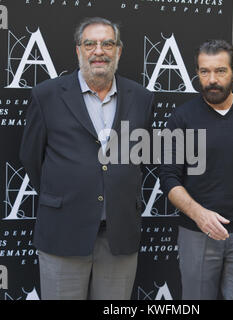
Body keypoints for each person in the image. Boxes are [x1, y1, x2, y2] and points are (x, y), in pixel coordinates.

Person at [19, 17, 154, 300]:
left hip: (119, 236)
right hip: (63, 233)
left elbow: (140, 158)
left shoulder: (141, 98)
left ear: (119, 51)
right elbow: (32, 158)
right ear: (78, 51)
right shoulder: (47, 95)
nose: (99, 51)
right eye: (90, 43)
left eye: (107, 43)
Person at [159, 40, 233, 300]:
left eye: (220, 71)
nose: (212, 79)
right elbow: (168, 178)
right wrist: (199, 215)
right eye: (204, 71)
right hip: (196, 234)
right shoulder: (181, 118)